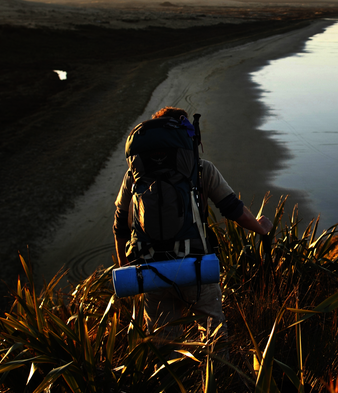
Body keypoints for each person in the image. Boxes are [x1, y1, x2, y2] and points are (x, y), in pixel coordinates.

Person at [113, 106, 273, 344]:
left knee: (163, 342)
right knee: (213, 336)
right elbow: (233, 209)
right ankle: (217, 377)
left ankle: (172, 379)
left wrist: (124, 265)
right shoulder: (200, 168)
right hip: (196, 266)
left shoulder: (135, 174)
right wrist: (261, 228)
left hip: (152, 270)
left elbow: (120, 226)